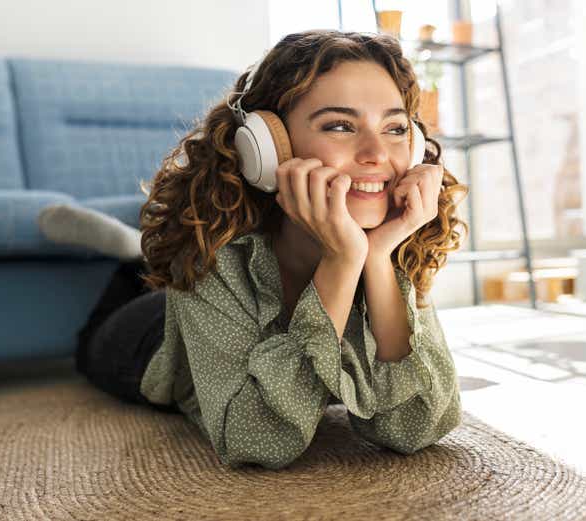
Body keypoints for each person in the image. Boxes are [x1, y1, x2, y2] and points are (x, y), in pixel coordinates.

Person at [38, 29, 469, 470]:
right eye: (340, 125)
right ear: (268, 146)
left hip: (234, 304)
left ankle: (136, 250)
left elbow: (417, 427)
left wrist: (374, 258)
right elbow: (257, 441)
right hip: (150, 337)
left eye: (395, 128)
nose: (377, 153)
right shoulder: (216, 253)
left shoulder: (394, 238)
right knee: (95, 339)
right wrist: (341, 261)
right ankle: (129, 255)